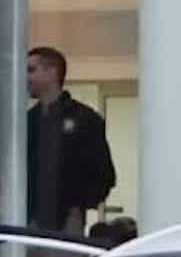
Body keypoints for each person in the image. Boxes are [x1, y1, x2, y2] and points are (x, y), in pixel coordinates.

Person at [24, 46, 116, 233]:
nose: (27, 78)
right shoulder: (26, 122)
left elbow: (102, 171)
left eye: (31, 70)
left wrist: (77, 204)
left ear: (52, 72)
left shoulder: (85, 119)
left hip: (67, 219)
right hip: (28, 219)